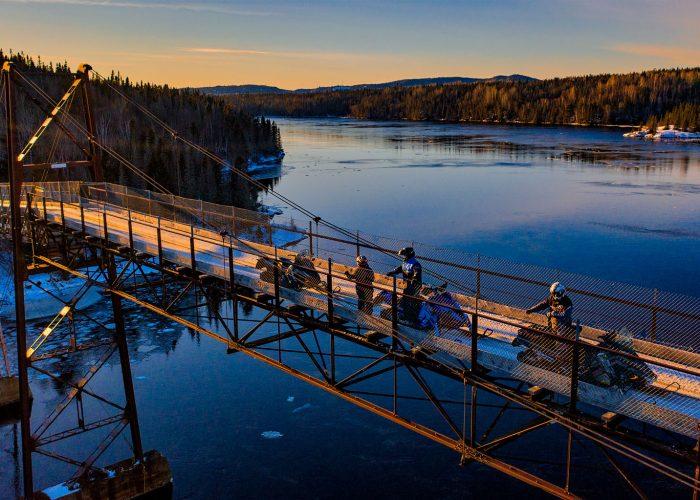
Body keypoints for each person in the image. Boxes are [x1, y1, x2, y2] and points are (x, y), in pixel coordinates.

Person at [388, 247, 423, 323]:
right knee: (405, 300)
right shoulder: (406, 262)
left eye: (404, 255)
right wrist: (393, 272)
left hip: (414, 286)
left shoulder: (415, 263)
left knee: (411, 301)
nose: (403, 256)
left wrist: (414, 279)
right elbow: (401, 268)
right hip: (407, 285)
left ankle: (413, 319)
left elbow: (417, 273)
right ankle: (406, 316)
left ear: (409, 254)